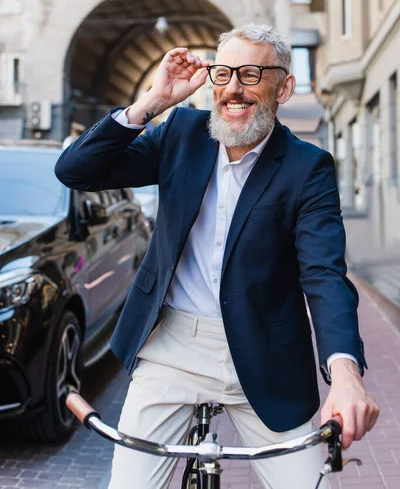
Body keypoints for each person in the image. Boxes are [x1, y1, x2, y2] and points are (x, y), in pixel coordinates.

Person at [55, 25, 379, 489]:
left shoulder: (308, 168)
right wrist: (152, 102)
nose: (233, 88)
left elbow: (325, 275)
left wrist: (345, 375)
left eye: (251, 73)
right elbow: (74, 170)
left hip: (267, 353)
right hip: (172, 348)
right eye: (223, 72)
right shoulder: (181, 134)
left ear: (283, 86)